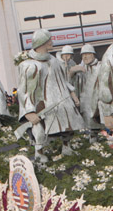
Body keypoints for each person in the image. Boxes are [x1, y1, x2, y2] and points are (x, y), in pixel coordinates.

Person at [17, 29, 84, 161]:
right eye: (49, 40)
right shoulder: (29, 65)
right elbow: (24, 90)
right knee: (40, 128)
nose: (52, 42)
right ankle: (39, 152)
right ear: (42, 42)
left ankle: (66, 146)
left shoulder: (53, 60)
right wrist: (29, 111)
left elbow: (63, 80)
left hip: (61, 100)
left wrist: (73, 95)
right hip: (42, 104)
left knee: (67, 123)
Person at [79, 44, 102, 142]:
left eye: (87, 54)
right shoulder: (81, 70)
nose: (85, 57)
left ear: (93, 55)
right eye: (83, 55)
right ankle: (93, 137)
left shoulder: (101, 66)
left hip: (99, 99)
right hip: (86, 102)